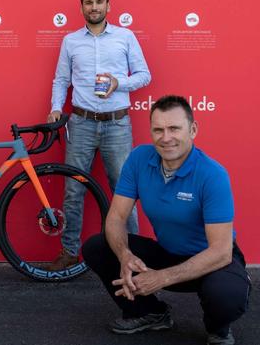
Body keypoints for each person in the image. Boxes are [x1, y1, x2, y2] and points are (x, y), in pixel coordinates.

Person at [82, 95, 250, 345]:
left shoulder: (212, 174)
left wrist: (161, 278)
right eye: (158, 129)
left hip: (211, 262)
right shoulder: (139, 159)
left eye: (174, 128)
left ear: (193, 129)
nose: (166, 137)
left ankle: (218, 328)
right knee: (98, 247)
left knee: (225, 295)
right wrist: (125, 255)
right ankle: (150, 313)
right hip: (168, 252)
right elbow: (116, 217)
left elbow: (221, 252)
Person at [47, 0, 151, 270]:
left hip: (117, 124)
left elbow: (144, 75)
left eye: (99, 2)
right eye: (89, 2)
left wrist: (120, 83)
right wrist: (56, 108)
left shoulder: (125, 36)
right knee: (73, 190)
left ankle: (130, 254)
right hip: (80, 124)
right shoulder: (70, 41)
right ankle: (69, 251)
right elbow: (61, 80)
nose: (94, 7)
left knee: (125, 190)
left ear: (108, 6)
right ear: (81, 7)